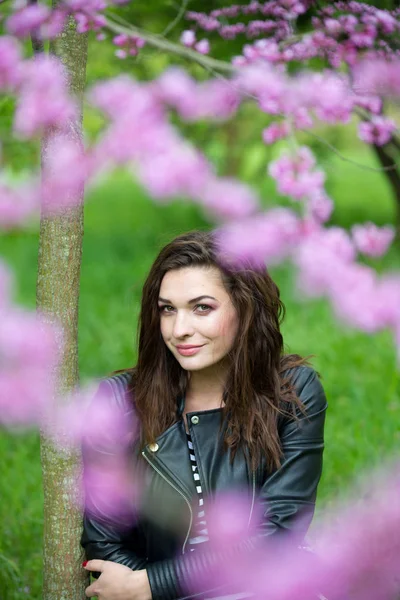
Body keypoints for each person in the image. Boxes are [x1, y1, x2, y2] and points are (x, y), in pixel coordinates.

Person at [80, 229, 328, 600]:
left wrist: (153, 585)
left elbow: (278, 533)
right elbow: (104, 545)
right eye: (168, 309)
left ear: (245, 309)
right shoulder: (119, 404)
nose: (180, 330)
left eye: (202, 308)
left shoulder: (291, 394)